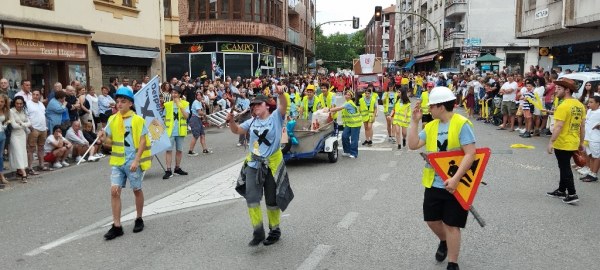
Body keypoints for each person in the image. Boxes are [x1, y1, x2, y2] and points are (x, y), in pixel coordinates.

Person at [408, 86, 476, 270]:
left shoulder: (462, 124)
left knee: (452, 224)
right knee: (432, 220)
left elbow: (470, 154)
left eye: (431, 106)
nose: (429, 109)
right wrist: (414, 122)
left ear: (441, 107)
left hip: (457, 184)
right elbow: (413, 145)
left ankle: (453, 263)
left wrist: (455, 180)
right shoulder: (430, 126)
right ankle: (444, 241)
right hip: (434, 183)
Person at [226, 85, 291, 247]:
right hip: (254, 164)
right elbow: (237, 131)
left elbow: (283, 104)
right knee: (252, 199)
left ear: (266, 105)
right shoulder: (252, 121)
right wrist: (231, 121)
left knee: (271, 200)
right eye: (253, 105)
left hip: (272, 164)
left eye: (258, 104)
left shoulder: (276, 117)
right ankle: (258, 231)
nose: (255, 107)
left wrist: (281, 93)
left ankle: (274, 230)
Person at [103, 87, 151, 240]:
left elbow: (143, 140)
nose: (119, 104)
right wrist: (103, 137)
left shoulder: (137, 120)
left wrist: (137, 160)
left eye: (123, 101)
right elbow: (108, 142)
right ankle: (117, 226)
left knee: (137, 189)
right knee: (114, 191)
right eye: (117, 101)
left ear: (130, 103)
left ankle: (139, 218)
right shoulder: (112, 119)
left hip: (132, 161)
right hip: (117, 162)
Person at [546, 78, 585, 204]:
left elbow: (558, 126)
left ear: (567, 90)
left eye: (559, 88)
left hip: (563, 142)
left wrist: (551, 142)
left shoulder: (563, 105)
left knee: (565, 168)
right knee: (563, 166)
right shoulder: (580, 105)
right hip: (573, 140)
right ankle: (562, 190)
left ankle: (572, 193)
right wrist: (581, 142)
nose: (556, 91)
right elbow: (582, 126)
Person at [162, 87, 190, 179]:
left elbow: (186, 116)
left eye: (176, 93)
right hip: (170, 131)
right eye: (172, 93)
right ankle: (168, 170)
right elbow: (163, 117)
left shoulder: (185, 104)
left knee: (179, 150)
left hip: (180, 131)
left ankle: (177, 168)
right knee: (168, 150)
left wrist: (180, 105)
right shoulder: (167, 105)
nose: (174, 95)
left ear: (179, 94)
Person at [329, 90, 361, 158]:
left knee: (354, 139)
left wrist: (329, 110)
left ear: (351, 96)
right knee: (344, 136)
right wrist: (331, 113)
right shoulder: (346, 102)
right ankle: (347, 151)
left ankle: (354, 153)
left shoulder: (349, 103)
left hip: (355, 124)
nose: (347, 96)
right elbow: (337, 109)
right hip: (349, 124)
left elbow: (339, 108)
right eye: (346, 94)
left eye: (349, 95)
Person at [26, 89, 49, 174]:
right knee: (31, 148)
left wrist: (45, 127)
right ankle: (30, 167)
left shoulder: (41, 104)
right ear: (32, 95)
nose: (35, 96)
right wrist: (30, 126)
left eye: (37, 95)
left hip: (43, 128)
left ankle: (41, 165)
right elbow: (26, 115)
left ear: (40, 95)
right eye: (34, 94)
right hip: (34, 128)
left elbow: (44, 115)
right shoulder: (28, 104)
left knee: (41, 147)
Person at [9, 96, 32, 182]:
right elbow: (14, 125)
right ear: (14, 104)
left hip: (22, 134)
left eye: (21, 103)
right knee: (17, 152)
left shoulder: (23, 111)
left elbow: (29, 122)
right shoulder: (11, 111)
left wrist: (22, 123)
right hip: (14, 135)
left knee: (22, 153)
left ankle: (19, 170)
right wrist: (24, 124)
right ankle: (24, 173)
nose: (19, 105)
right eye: (17, 103)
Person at [580, 96, 600, 182]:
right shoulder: (589, 111)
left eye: (591, 102)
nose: (589, 104)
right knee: (591, 155)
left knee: (596, 156)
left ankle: (594, 174)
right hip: (588, 137)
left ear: (598, 103)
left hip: (595, 138)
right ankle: (591, 172)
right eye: (589, 102)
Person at [188, 90, 213, 156]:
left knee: (202, 135)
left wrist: (205, 118)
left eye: (200, 95)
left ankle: (205, 149)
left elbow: (201, 112)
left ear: (202, 96)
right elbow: (199, 112)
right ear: (196, 96)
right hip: (194, 119)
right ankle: (190, 151)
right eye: (197, 95)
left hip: (198, 119)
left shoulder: (199, 102)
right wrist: (205, 115)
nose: (199, 96)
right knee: (195, 136)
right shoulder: (196, 102)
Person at [0, 94, 9, 185]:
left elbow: (5, 124)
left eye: (2, 101)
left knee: (0, 156)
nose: (0, 103)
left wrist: (5, 125)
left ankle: (1, 175)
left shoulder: (5, 111)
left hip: (2, 135)